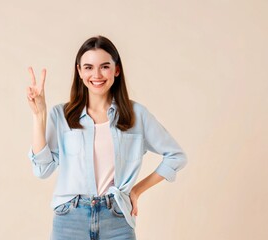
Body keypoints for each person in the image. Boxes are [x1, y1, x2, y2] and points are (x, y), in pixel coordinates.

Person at [26, 35, 187, 240]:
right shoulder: (61, 115)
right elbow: (42, 169)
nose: (96, 74)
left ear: (116, 70)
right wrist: (38, 114)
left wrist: (136, 191)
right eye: (88, 67)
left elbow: (176, 156)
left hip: (116, 221)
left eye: (104, 66)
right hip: (70, 220)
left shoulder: (136, 114)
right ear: (79, 71)